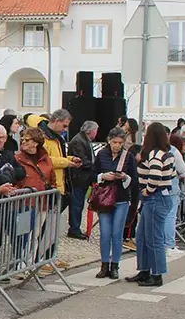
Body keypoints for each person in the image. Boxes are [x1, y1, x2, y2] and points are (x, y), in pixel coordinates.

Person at [129, 122, 178, 288]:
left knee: (154, 238)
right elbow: (172, 173)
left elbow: (155, 176)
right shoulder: (167, 153)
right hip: (161, 197)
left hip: (155, 197)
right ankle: (144, 270)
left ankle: (156, 274)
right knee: (142, 235)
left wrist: (147, 191)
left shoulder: (155, 154)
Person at [92, 127, 136, 280]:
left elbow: (134, 179)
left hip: (122, 198)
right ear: (109, 141)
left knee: (117, 234)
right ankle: (104, 265)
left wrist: (124, 177)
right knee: (105, 234)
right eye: (114, 142)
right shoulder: (101, 154)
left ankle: (115, 265)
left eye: (120, 143)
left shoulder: (128, 157)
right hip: (105, 198)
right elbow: (93, 173)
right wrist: (102, 176)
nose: (117, 145)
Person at [66, 120, 98, 240]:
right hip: (78, 178)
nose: (96, 133)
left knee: (78, 204)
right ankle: (74, 228)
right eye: (95, 130)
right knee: (76, 204)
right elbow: (82, 160)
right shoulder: (78, 141)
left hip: (83, 178)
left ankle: (75, 227)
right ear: (90, 131)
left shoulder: (85, 140)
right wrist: (95, 166)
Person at [15, 127, 56, 192]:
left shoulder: (46, 160)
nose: (23, 142)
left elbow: (53, 182)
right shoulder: (16, 159)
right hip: (24, 200)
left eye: (27, 140)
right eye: (22, 140)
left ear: (36, 143)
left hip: (44, 200)